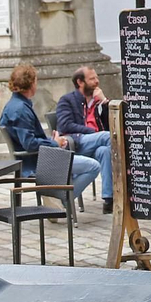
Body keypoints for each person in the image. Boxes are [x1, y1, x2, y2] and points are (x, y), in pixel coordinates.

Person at [0, 63, 100, 202]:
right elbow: (29, 144)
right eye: (35, 81)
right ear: (31, 83)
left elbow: (28, 139)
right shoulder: (20, 110)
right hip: (37, 163)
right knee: (93, 166)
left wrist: (52, 141)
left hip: (37, 158)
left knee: (89, 156)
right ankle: (62, 199)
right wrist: (54, 143)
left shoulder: (15, 105)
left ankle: (57, 193)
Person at [54, 66, 115, 212]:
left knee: (105, 150)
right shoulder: (67, 100)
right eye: (92, 78)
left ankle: (109, 200)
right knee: (108, 137)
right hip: (77, 142)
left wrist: (105, 102)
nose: (96, 81)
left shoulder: (97, 101)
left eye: (96, 77)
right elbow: (64, 124)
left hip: (95, 145)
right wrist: (92, 132)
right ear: (80, 82)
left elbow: (111, 124)